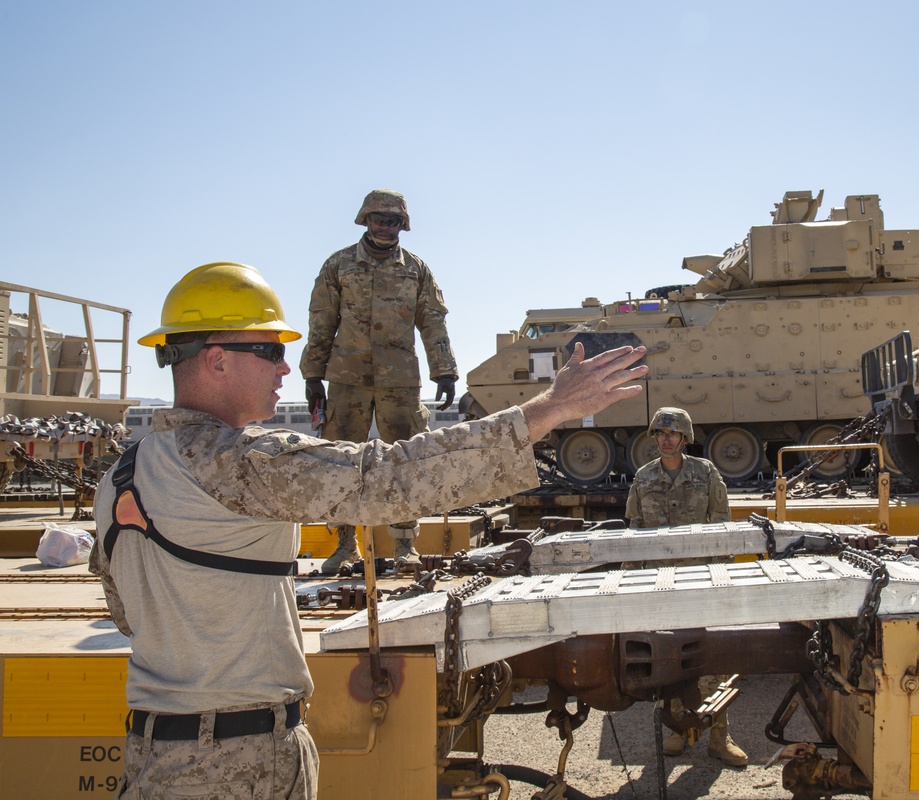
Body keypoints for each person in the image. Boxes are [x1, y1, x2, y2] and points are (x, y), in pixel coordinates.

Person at [89, 261, 648, 800]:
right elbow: (384, 479)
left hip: (162, 750)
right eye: (270, 351)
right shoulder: (235, 461)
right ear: (216, 360)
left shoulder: (122, 474)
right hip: (234, 757)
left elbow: (126, 614)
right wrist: (549, 409)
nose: (287, 368)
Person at [300, 189, 458, 573]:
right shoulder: (339, 266)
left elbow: (433, 320)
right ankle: (344, 545)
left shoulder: (416, 269)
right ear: (365, 220)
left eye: (392, 221)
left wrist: (445, 369)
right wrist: (312, 374)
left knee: (404, 459)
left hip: (399, 380)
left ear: (402, 225)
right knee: (340, 461)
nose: (385, 227)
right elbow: (321, 321)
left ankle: (405, 544)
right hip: (347, 379)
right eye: (378, 219)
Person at [624, 406, 748, 768]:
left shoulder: (706, 473)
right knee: (670, 658)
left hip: (700, 580)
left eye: (672, 434)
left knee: (714, 658)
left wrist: (721, 577)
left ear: (685, 438)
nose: (666, 439)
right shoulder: (643, 478)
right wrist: (632, 580)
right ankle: (678, 729)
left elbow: (723, 526)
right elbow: (634, 532)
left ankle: (720, 736)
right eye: (660, 434)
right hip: (662, 584)